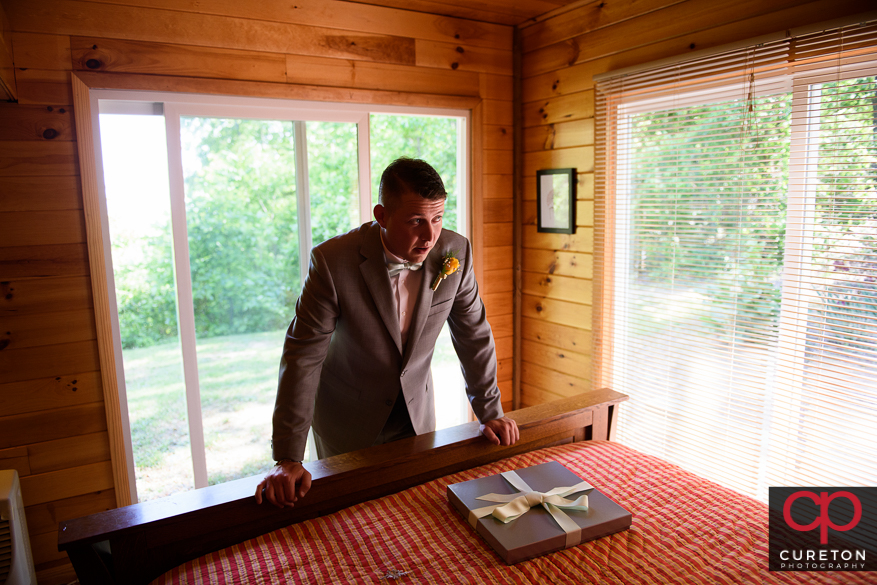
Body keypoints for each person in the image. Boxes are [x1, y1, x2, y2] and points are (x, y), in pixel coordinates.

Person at [255, 157, 519, 508]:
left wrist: (491, 411)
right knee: (349, 517)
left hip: (416, 416)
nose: (430, 235)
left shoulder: (455, 253)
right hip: (347, 421)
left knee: (414, 511)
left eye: (437, 218)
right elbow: (302, 357)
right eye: (416, 221)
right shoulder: (332, 262)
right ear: (382, 216)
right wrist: (288, 457)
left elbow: (474, 335)